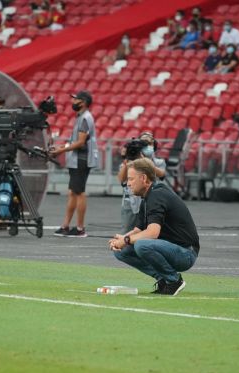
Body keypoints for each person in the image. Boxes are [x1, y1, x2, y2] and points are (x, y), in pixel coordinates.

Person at [109, 158, 200, 296]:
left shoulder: (157, 195)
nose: (128, 183)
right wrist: (122, 239)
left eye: (131, 179)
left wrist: (126, 240)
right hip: (170, 248)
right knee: (121, 251)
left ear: (144, 178)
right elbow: (138, 230)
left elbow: (152, 233)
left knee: (141, 245)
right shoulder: (148, 197)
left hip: (186, 253)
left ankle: (174, 280)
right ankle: (163, 279)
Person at [50, 90, 99, 237]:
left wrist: (61, 151)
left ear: (83, 102)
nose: (72, 102)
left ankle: (79, 228)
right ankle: (66, 226)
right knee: (73, 192)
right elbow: (76, 141)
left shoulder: (84, 118)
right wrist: (62, 147)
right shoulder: (81, 117)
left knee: (79, 193)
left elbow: (80, 142)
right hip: (78, 159)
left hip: (81, 160)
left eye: (75, 99)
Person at [117, 132, 166, 233]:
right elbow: (121, 179)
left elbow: (161, 174)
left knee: (150, 229)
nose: (147, 146)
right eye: (144, 143)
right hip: (130, 201)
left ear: (154, 145)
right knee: (127, 230)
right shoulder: (131, 160)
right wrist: (127, 162)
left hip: (151, 201)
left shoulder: (158, 162)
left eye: (149, 143)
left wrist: (145, 162)